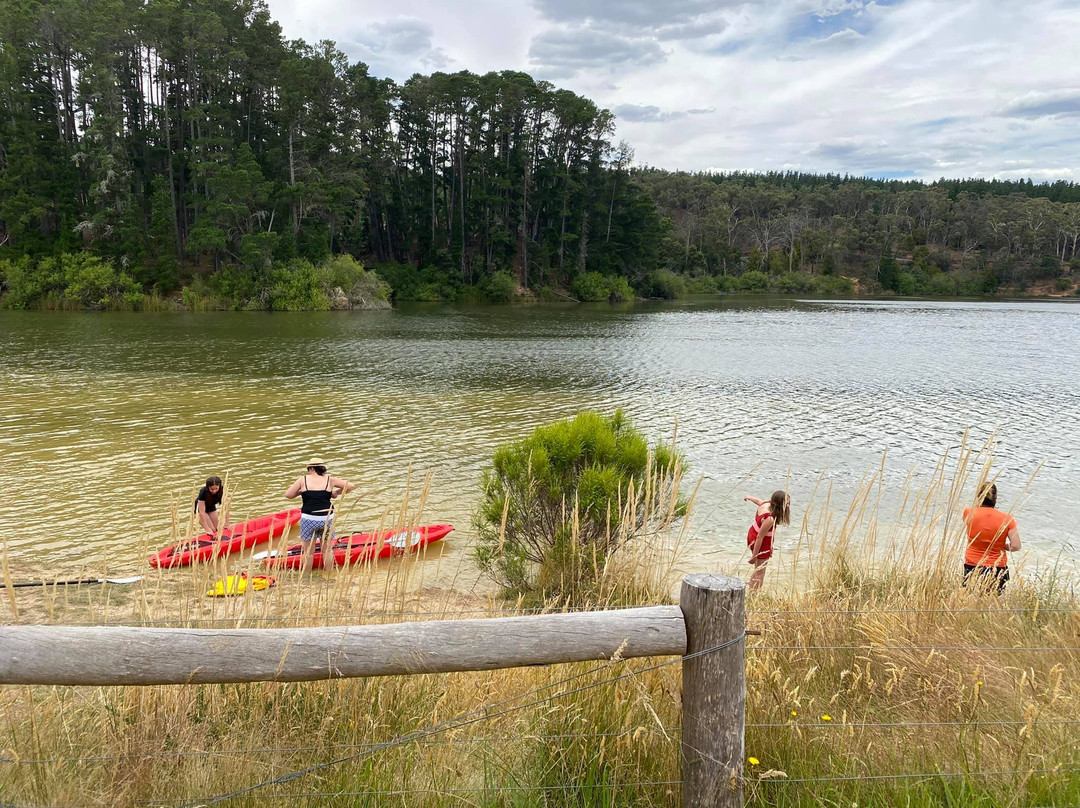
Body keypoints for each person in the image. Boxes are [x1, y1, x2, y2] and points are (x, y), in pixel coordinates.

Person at [284, 458, 356, 572]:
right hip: (326, 518)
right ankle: (329, 575)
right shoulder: (330, 479)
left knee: (308, 552)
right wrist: (336, 493)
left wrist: (302, 491)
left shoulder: (303, 480)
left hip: (309, 519)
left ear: (311, 468)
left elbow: (288, 495)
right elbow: (351, 486)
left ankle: (306, 577)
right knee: (327, 551)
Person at [962, 482, 1021, 594]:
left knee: (970, 598)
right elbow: (1016, 546)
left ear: (979, 496)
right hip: (997, 567)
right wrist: (1003, 546)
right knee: (994, 600)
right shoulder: (1007, 519)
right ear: (996, 497)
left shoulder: (968, 513)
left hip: (972, 564)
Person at [743, 490, 790, 591]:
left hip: (752, 535)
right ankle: (754, 594)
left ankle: (751, 589)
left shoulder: (766, 504)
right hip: (760, 543)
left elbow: (758, 501)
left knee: (757, 569)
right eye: (787, 504)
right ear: (780, 505)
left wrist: (750, 497)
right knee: (760, 573)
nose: (788, 506)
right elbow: (760, 537)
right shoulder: (770, 519)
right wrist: (754, 556)